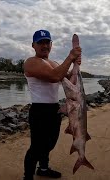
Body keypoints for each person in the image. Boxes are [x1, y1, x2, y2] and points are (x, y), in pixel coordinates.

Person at [23, 29, 82, 180]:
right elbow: (54, 76)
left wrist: (75, 65)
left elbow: (70, 82)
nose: (44, 46)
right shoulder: (30, 62)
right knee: (36, 147)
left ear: (51, 44)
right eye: (40, 42)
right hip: (39, 110)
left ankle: (43, 168)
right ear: (33, 45)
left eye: (47, 42)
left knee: (50, 144)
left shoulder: (54, 63)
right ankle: (28, 177)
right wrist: (70, 57)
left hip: (54, 108)